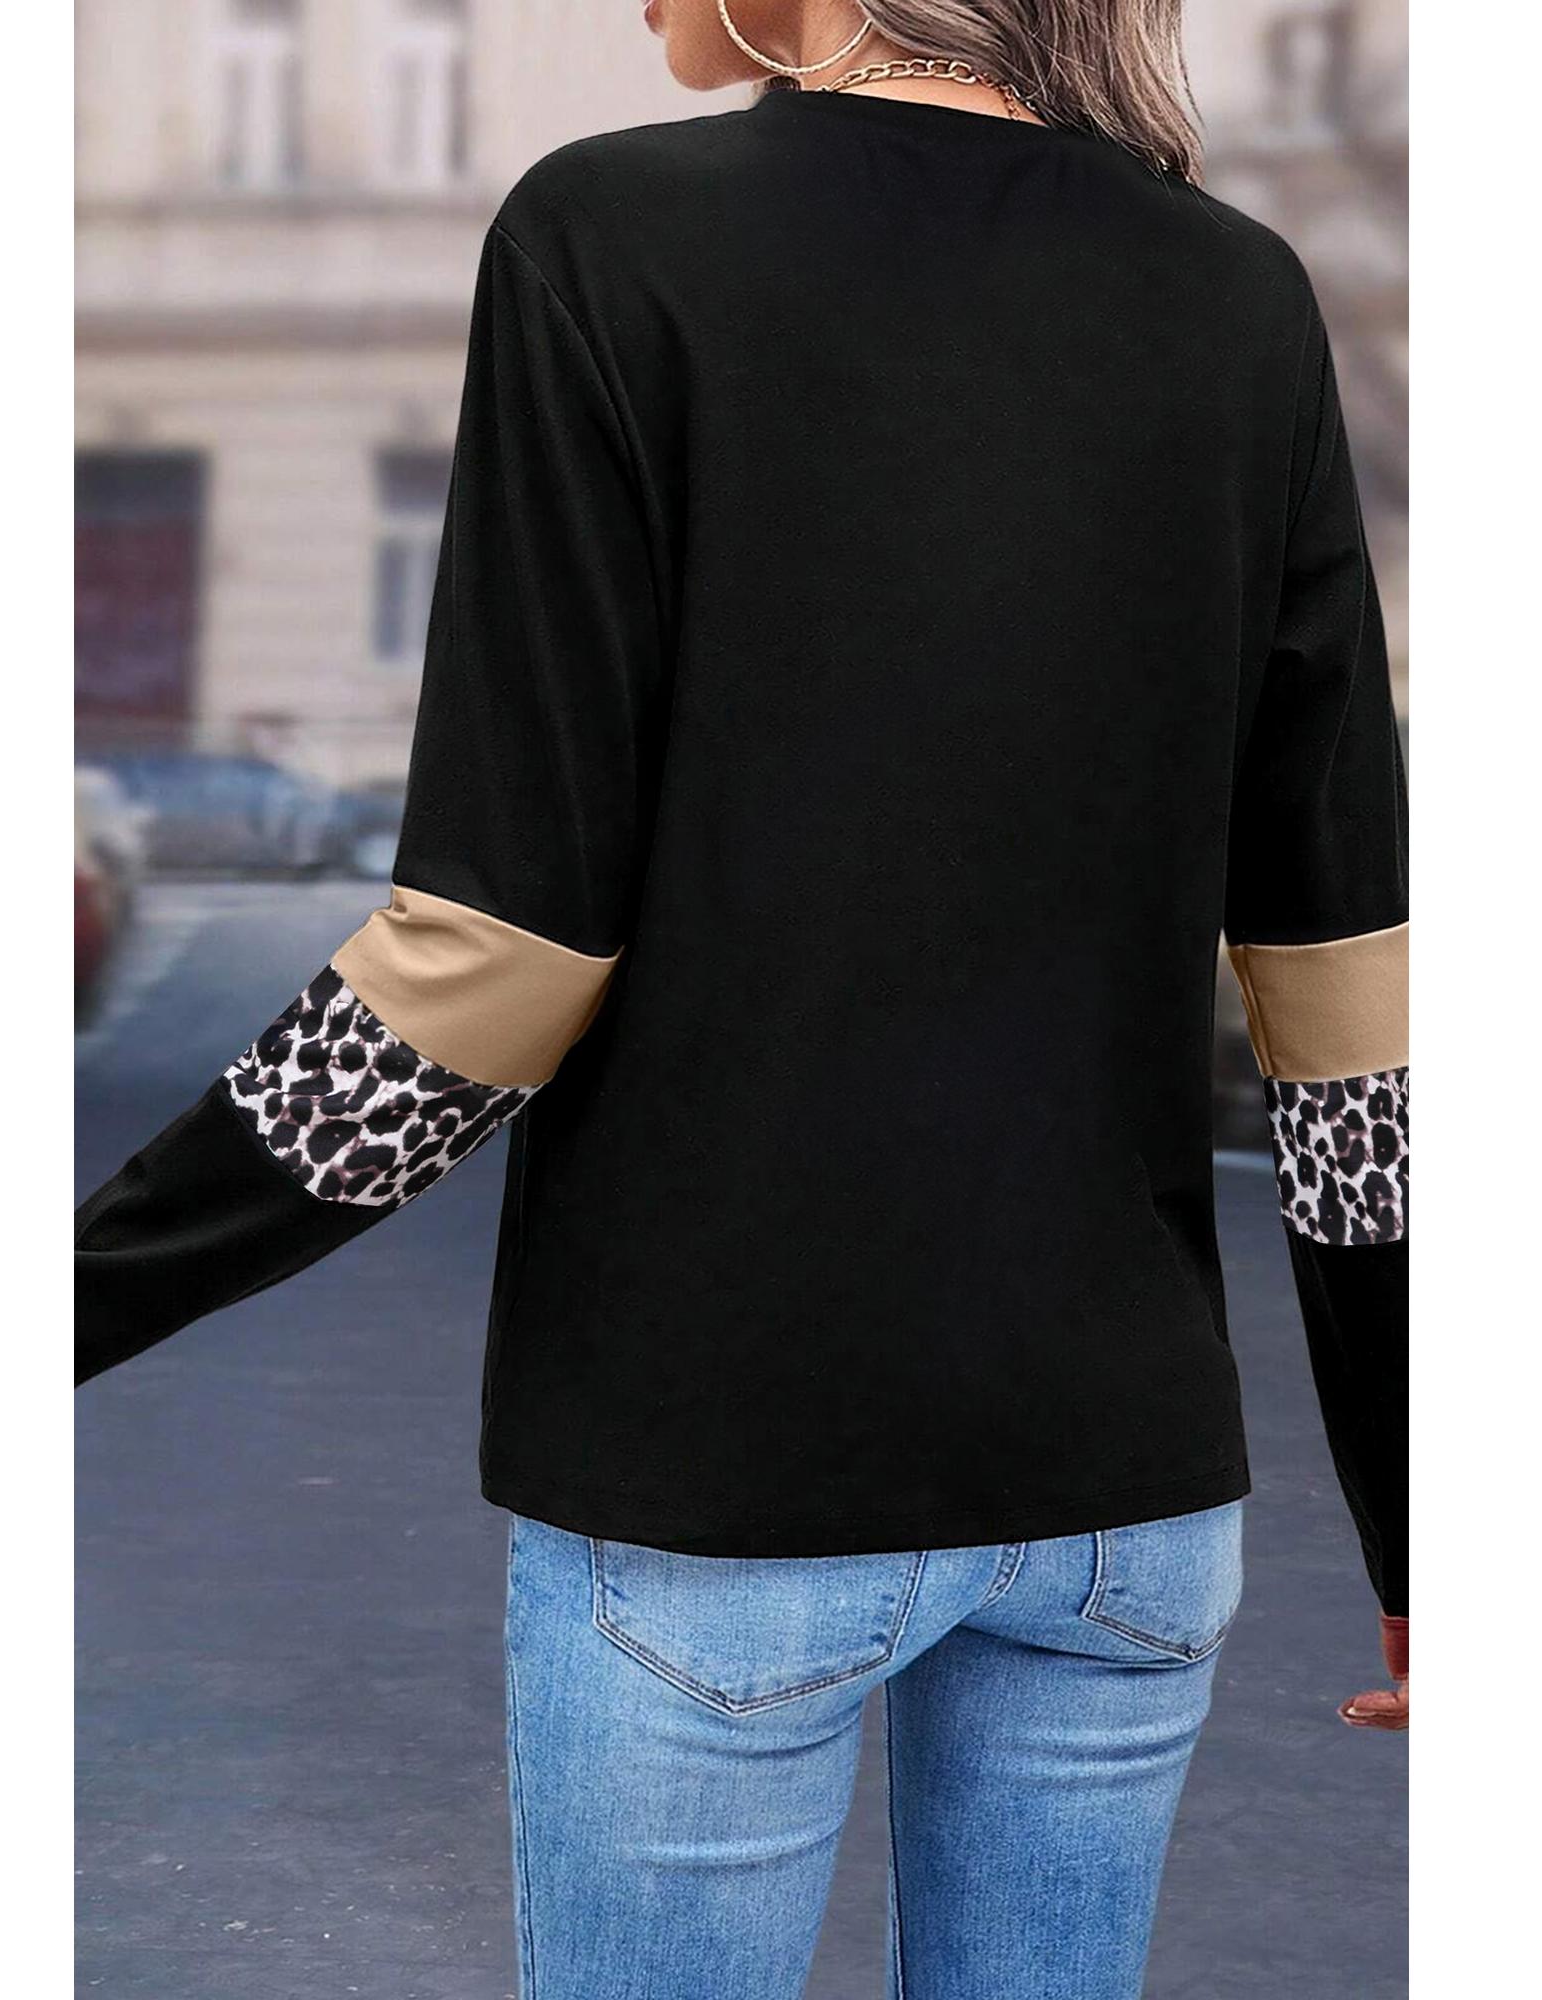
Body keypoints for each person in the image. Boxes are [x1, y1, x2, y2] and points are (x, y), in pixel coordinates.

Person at [75, 3, 1409, 1994]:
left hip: (721, 1478)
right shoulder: (1236, 294)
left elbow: (489, 968)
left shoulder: (611, 239)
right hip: (1120, 1503)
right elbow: (1345, 1006)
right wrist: (1422, 1516)